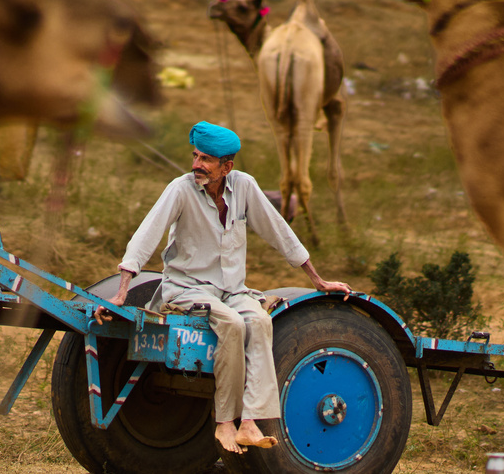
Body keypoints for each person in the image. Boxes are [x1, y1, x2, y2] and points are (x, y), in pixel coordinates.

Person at [95, 121, 352, 454]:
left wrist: (317, 279)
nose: (196, 165)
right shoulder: (181, 188)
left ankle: (250, 423)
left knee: (259, 321)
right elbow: (146, 235)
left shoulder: (244, 186)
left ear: (227, 166)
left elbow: (280, 233)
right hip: (187, 289)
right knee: (231, 324)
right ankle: (224, 424)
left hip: (231, 291)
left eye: (206, 160)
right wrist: (122, 291)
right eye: (195, 155)